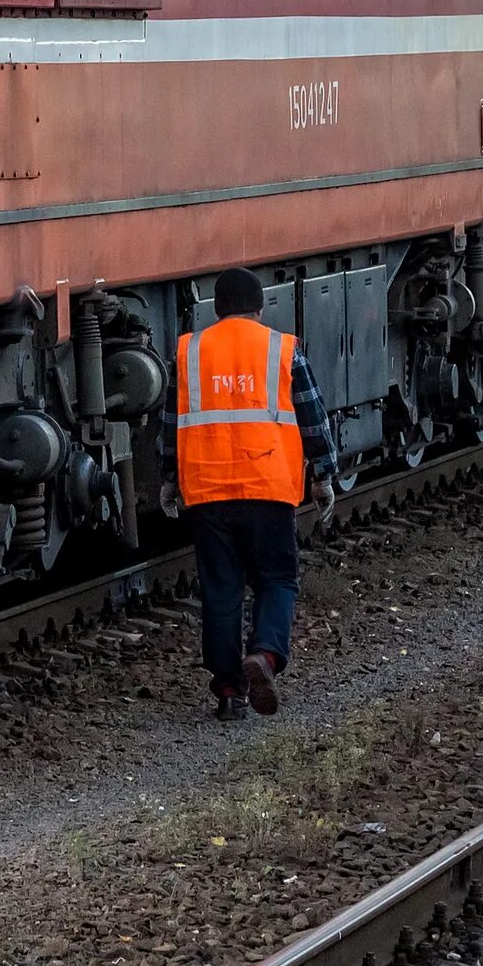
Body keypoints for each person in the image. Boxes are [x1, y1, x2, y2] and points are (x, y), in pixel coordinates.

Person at [175, 266, 337, 720]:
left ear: (217, 308)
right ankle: (264, 655)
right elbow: (312, 416)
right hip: (268, 488)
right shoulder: (280, 349)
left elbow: (173, 424)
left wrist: (171, 480)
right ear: (260, 308)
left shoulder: (191, 352)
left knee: (221, 590)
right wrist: (324, 474)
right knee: (277, 578)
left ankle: (228, 691)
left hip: (207, 492)